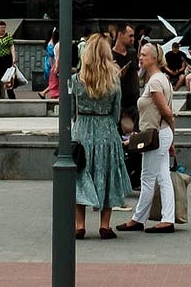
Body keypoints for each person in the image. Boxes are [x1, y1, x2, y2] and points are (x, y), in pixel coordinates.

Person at [72, 32, 129, 239]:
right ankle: (105, 225)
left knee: (80, 174)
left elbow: (72, 111)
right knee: (107, 174)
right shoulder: (114, 79)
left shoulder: (76, 79)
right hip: (106, 128)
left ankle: (79, 225)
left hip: (82, 129)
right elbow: (116, 111)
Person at [119, 39, 176, 232]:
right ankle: (163, 218)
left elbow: (167, 112)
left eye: (144, 55)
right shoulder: (161, 79)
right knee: (162, 176)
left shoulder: (155, 82)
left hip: (156, 134)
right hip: (160, 133)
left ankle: (140, 218)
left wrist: (172, 134)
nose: (140, 58)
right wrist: (171, 137)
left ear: (154, 58)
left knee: (148, 177)